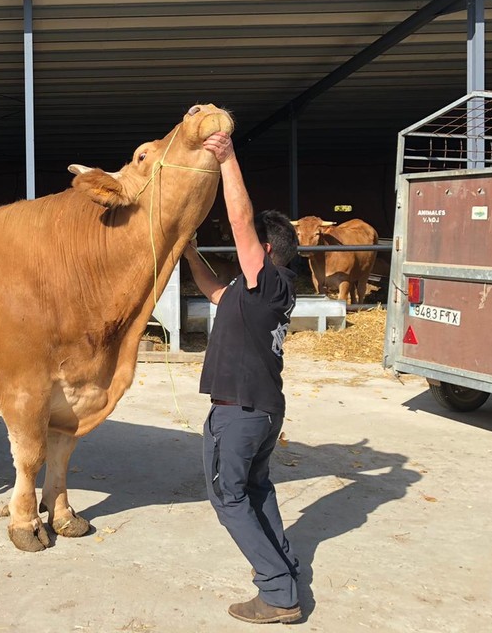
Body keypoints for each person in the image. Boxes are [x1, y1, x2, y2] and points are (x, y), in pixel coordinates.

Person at [182, 130, 302, 625]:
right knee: (256, 491)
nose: (240, 246)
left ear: (266, 250)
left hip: (240, 414)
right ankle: (286, 571)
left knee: (228, 498)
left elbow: (239, 219)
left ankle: (277, 594)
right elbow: (215, 294)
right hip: (261, 412)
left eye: (252, 242)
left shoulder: (268, 279)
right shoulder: (252, 291)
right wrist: (189, 254)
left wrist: (227, 158)